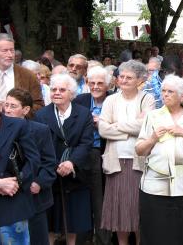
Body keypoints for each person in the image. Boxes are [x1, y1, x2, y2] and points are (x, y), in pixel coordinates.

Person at [136, 75, 183, 245]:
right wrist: (153, 138)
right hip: (154, 187)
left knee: (182, 235)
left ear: (182, 96)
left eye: (171, 91)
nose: (165, 95)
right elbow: (140, 150)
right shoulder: (152, 116)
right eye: (163, 91)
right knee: (153, 233)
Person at [98, 60, 155, 245]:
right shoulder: (110, 100)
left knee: (138, 210)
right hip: (115, 163)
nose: (123, 80)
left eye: (129, 77)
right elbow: (103, 130)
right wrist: (131, 128)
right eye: (121, 76)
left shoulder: (147, 99)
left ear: (139, 79)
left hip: (139, 162)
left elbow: (146, 127)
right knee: (120, 212)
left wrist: (117, 125)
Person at [34, 73, 94, 245]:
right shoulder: (42, 115)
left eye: (62, 89)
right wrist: (55, 165)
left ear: (71, 93)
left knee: (73, 220)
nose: (57, 93)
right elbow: (39, 147)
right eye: (53, 89)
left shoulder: (83, 114)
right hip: (50, 173)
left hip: (75, 173)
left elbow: (86, 143)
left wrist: (71, 162)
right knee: (51, 220)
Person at [3, 89, 57, 245]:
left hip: (33, 197)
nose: (7, 109)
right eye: (6, 105)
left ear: (25, 110)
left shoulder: (40, 130)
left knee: (35, 239)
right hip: (6, 195)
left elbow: (49, 162)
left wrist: (39, 182)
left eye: (13, 106)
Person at [72, 66, 113, 245]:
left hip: (104, 152)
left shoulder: (114, 100)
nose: (95, 86)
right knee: (82, 197)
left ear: (108, 84)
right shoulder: (80, 100)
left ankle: (103, 240)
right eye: (92, 83)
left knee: (100, 199)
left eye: (100, 83)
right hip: (81, 153)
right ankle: (83, 239)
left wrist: (102, 124)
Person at [0, 101, 40, 243]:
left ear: (0, 105)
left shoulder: (18, 125)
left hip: (13, 200)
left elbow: (33, 159)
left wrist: (17, 181)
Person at [0, 34, 43, 113]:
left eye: (12, 50)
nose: (10, 55)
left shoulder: (28, 76)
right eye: (5, 51)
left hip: (20, 123)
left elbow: (39, 105)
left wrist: (19, 111)